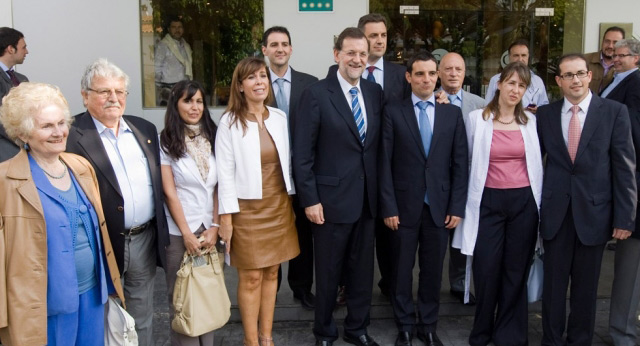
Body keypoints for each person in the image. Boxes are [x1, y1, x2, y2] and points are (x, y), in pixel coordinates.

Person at [0, 82, 125, 345]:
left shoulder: (80, 166)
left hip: (92, 295)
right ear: (23, 134)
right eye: (46, 126)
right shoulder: (5, 181)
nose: (58, 133)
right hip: (43, 306)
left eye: (61, 123)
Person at [66, 58, 170, 346]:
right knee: (101, 314)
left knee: (142, 312)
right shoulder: (70, 135)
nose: (114, 98)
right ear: (85, 95)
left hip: (143, 240)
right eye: (104, 92)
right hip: (99, 242)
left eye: (120, 92)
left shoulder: (144, 130)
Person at [537, 54, 636, 345]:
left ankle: (580, 340)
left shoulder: (614, 112)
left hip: (594, 216)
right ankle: (551, 340)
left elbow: (624, 168)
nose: (575, 80)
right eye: (568, 75)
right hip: (555, 215)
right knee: (553, 288)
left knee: (586, 290)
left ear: (590, 76)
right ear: (558, 81)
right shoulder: (545, 115)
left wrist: (624, 217)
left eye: (580, 73)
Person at [293, 27, 383, 346]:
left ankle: (357, 328)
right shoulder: (316, 94)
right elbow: (302, 155)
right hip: (328, 203)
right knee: (328, 274)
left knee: (361, 274)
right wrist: (310, 200)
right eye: (351, 53)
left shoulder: (374, 93)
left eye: (362, 53)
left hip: (367, 202)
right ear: (337, 55)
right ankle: (325, 332)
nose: (357, 59)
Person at [379, 52, 468, 346]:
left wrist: (457, 206)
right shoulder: (393, 111)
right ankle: (404, 324)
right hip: (402, 209)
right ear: (409, 77)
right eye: (419, 74)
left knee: (432, 273)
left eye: (431, 74)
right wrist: (389, 206)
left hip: (439, 209)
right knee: (401, 271)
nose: (426, 79)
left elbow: (460, 164)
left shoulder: (452, 114)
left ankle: (428, 325)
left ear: (438, 76)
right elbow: (385, 163)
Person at [454, 62, 543, 346]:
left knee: (515, 269)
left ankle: (510, 334)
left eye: (522, 86)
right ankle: (481, 330)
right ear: (499, 84)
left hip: (524, 203)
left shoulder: (532, 123)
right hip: (487, 202)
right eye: (511, 83)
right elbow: (465, 161)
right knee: (486, 267)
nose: (516, 90)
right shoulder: (476, 118)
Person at [215, 57, 300, 346]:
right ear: (239, 86)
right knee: (250, 277)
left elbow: (286, 164)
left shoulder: (279, 117)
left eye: (262, 76)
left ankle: (267, 337)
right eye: (251, 78)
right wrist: (226, 218)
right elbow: (224, 173)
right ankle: (250, 341)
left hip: (278, 205)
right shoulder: (228, 122)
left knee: (273, 271)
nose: (259, 82)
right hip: (246, 209)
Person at [261, 25, 319, 310]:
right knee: (271, 234)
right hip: (270, 177)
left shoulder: (311, 83)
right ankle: (271, 287)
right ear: (264, 50)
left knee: (303, 235)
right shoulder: (256, 83)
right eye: (274, 44)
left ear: (291, 49)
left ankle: (301, 287)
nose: (280, 49)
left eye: (284, 44)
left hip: (304, 174)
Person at [160, 80, 220, 345]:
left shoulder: (215, 135)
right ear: (176, 104)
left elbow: (221, 186)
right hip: (180, 232)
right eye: (187, 101)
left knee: (208, 295)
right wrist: (186, 234)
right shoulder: (166, 140)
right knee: (182, 300)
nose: (194, 107)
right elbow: (169, 192)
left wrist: (216, 226)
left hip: (209, 229)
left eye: (199, 101)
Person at [437, 52, 485, 305]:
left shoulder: (480, 103)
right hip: (436, 178)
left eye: (458, 69)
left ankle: (459, 283)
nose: (453, 73)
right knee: (436, 233)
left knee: (461, 232)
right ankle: (431, 282)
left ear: (465, 72)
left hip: (468, 178)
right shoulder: (429, 99)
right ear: (439, 73)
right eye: (448, 69)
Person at [600, 38, 640, 346]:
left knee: (630, 270)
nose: (615, 58)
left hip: (630, 185)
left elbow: (632, 137)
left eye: (622, 55)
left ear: (636, 58)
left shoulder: (635, 83)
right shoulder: (614, 80)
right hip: (611, 185)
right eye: (614, 54)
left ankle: (623, 334)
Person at [484, 39, 549, 114]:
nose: (520, 59)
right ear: (509, 57)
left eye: (523, 55)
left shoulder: (538, 81)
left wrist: (538, 110)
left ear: (528, 57)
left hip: (531, 123)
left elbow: (545, 108)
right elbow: (488, 107)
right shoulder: (496, 80)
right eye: (516, 55)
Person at [0, 27, 29, 162]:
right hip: (5, 149)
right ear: (11, 49)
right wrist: (20, 139)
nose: (27, 52)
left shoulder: (22, 78)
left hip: (26, 147)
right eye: (23, 47)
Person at [155, 16, 193, 105]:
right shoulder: (163, 45)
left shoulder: (186, 46)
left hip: (184, 87)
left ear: (183, 29)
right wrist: (161, 89)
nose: (177, 30)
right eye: (174, 27)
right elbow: (156, 68)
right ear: (169, 29)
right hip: (168, 88)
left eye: (179, 27)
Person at [585, 26, 625, 94]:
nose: (610, 46)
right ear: (602, 41)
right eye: (607, 41)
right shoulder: (584, 60)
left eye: (615, 42)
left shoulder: (624, 66)